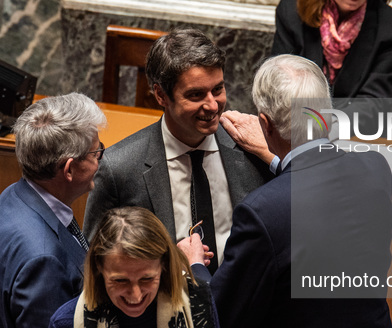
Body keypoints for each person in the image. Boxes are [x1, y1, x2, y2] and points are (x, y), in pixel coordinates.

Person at [187, 54, 392, 328]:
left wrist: (195, 267)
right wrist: (278, 158)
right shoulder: (375, 171)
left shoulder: (263, 212)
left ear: (265, 123)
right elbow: (315, 188)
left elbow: (218, 321)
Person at [83, 28, 273, 275]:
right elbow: (94, 265)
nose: (213, 105)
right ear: (161, 95)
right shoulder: (118, 168)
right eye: (195, 95)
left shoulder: (253, 149)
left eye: (217, 89)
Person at [46, 206, 232, 328]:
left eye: (147, 279)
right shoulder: (66, 327)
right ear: (99, 270)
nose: (135, 295)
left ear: (164, 267)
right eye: (120, 281)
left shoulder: (197, 302)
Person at [0, 93, 106, 328]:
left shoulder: (14, 195)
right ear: (70, 169)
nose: (99, 160)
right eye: (96, 153)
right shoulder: (44, 260)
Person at [272, 0, 392, 100]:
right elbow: (279, 84)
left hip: (360, 131)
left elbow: (376, 100)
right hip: (296, 124)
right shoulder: (291, 11)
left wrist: (327, 127)